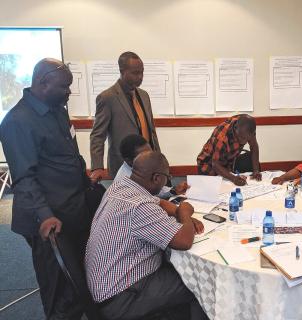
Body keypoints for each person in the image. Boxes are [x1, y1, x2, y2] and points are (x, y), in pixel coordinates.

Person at [0, 58, 91, 319]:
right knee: (58, 288)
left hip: (73, 209)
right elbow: (24, 178)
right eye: (65, 87)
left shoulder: (57, 110)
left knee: (77, 279)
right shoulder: (17, 122)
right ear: (43, 83)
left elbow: (69, 154)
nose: (69, 92)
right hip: (49, 222)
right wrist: (45, 214)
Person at [86, 151, 208, 320]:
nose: (169, 180)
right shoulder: (140, 208)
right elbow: (184, 241)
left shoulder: (120, 186)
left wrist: (179, 212)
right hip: (122, 298)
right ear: (157, 178)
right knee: (198, 281)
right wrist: (185, 213)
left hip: (106, 284)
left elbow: (159, 202)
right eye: (168, 176)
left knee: (175, 267)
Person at [90, 51, 160, 181]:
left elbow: (152, 132)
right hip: (123, 165)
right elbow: (97, 135)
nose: (140, 77)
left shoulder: (144, 96)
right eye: (135, 73)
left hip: (147, 164)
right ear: (122, 71)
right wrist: (97, 166)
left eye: (142, 72)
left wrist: (158, 159)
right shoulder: (107, 97)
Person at [115, 134, 189, 198]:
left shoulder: (142, 168)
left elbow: (153, 190)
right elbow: (147, 201)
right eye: (144, 156)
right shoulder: (124, 182)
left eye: (151, 153)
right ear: (129, 160)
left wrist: (174, 191)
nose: (151, 158)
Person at [197, 114, 261, 186]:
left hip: (226, 161)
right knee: (214, 191)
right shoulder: (221, 137)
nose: (243, 142)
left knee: (229, 188)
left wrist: (256, 170)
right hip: (208, 165)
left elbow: (254, 146)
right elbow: (215, 164)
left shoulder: (249, 128)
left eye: (247, 139)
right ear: (236, 128)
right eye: (242, 137)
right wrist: (233, 178)